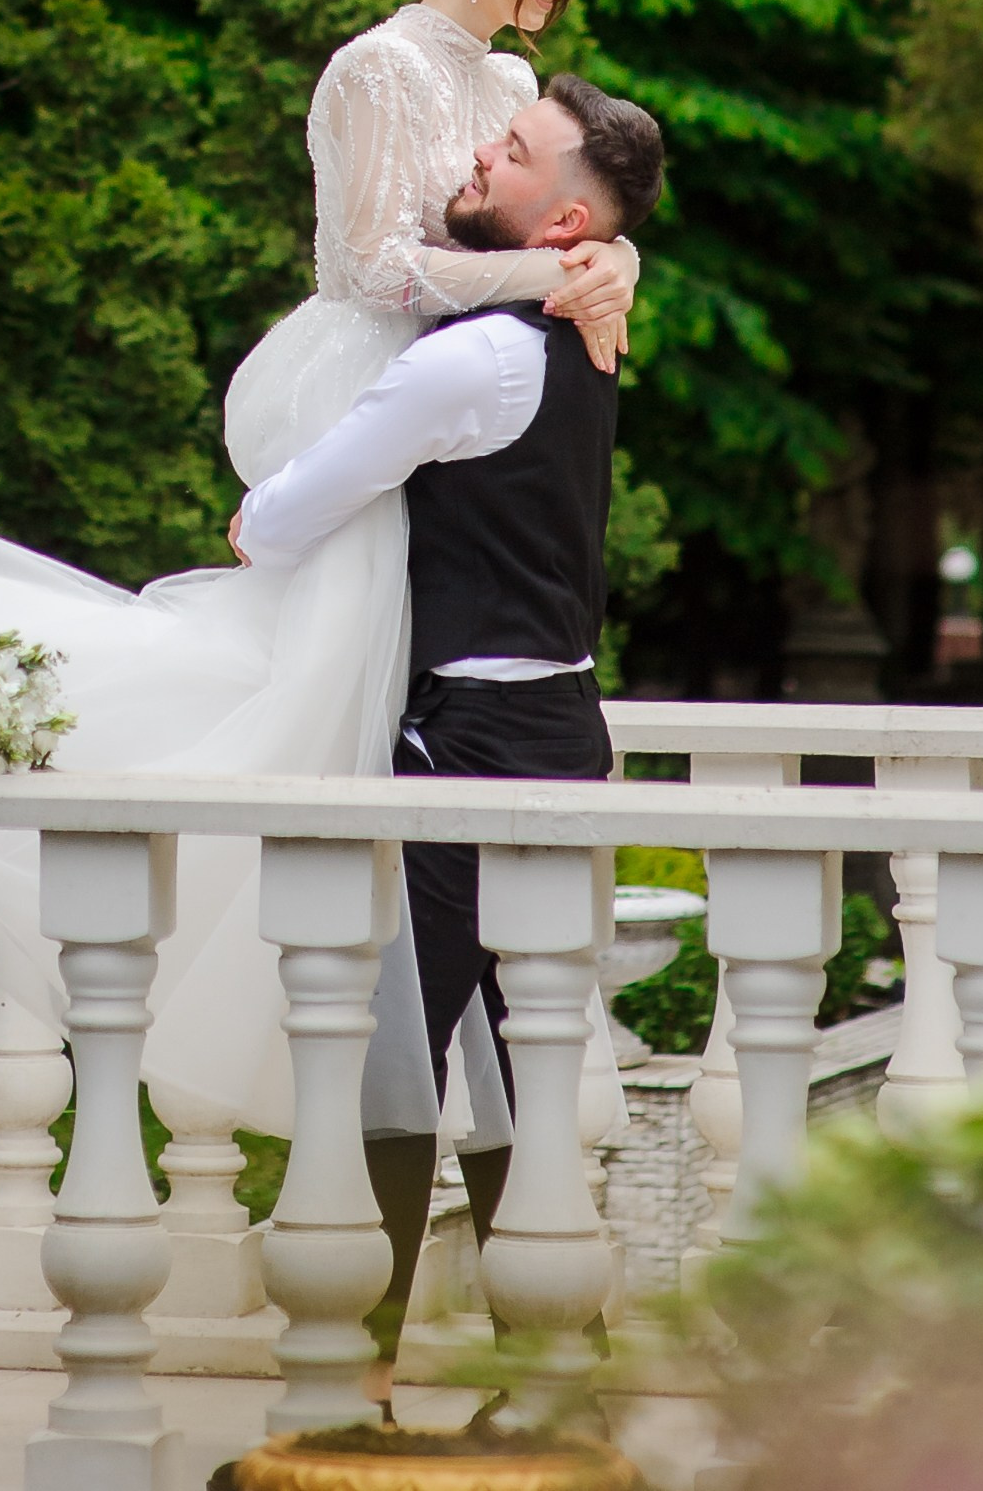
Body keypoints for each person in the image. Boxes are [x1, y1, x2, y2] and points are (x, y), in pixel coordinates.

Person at [0, 0, 642, 1138]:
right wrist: (557, 277)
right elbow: (373, 270)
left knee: (395, 731)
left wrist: (607, 262)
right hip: (376, 388)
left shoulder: (511, 79)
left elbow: (565, 208)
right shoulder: (373, 71)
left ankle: (431, 1119)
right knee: (312, 707)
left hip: (459, 418)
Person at [232, 73, 667, 1377]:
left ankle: (346, 1379)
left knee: (395, 1053)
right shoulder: (570, 339)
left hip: (471, 739)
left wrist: (253, 524)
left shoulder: (474, 355)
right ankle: (560, 1371)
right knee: (500, 1067)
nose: (480, 158)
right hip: (556, 730)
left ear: (563, 222)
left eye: (514, 152)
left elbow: (284, 515)